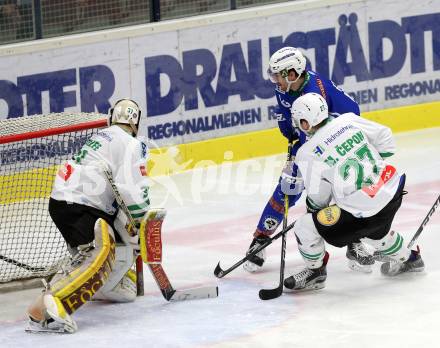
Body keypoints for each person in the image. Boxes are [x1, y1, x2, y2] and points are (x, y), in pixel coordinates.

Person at [244, 46, 374, 273]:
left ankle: (354, 241)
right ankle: (261, 238)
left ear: (292, 73)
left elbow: (344, 120)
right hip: (310, 138)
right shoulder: (285, 86)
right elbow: (287, 115)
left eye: (277, 75)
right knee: (287, 188)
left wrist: (304, 160)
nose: (274, 80)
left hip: (336, 139)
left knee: (344, 189)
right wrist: (287, 128)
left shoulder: (314, 92)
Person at [26, 99, 150, 333]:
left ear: (112, 117)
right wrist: (142, 221)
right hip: (83, 205)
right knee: (101, 253)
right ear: (136, 122)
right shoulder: (132, 143)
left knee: (117, 282)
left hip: (61, 202)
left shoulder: (102, 137)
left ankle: (87, 287)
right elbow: (132, 188)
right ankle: (54, 302)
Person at [282, 93, 424, 291]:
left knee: (305, 227)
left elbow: (318, 201)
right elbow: (386, 138)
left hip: (364, 212)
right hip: (391, 191)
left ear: (306, 122)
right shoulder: (347, 120)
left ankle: (315, 272)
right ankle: (410, 259)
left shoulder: (306, 152)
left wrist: (316, 215)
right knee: (374, 231)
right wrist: (371, 169)